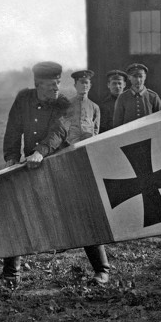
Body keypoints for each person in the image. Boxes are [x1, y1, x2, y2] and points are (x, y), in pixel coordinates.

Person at [0, 61, 71, 287]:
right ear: (38, 84)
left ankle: (102, 269)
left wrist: (40, 152)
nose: (56, 88)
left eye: (58, 83)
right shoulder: (23, 99)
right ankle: (11, 273)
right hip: (31, 164)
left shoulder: (63, 103)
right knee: (17, 213)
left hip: (59, 162)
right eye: (51, 84)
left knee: (76, 210)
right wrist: (11, 158)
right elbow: (13, 129)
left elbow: (59, 131)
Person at [62, 70, 111, 284]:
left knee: (89, 205)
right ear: (75, 85)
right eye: (81, 83)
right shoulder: (66, 106)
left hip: (87, 158)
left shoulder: (95, 108)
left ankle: (101, 267)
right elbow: (61, 132)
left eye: (87, 83)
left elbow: (97, 133)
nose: (84, 86)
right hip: (68, 157)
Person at [112, 63, 161, 127]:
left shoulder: (153, 97)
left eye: (140, 76)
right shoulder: (122, 97)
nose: (138, 80)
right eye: (135, 76)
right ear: (129, 77)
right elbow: (117, 124)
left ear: (145, 77)